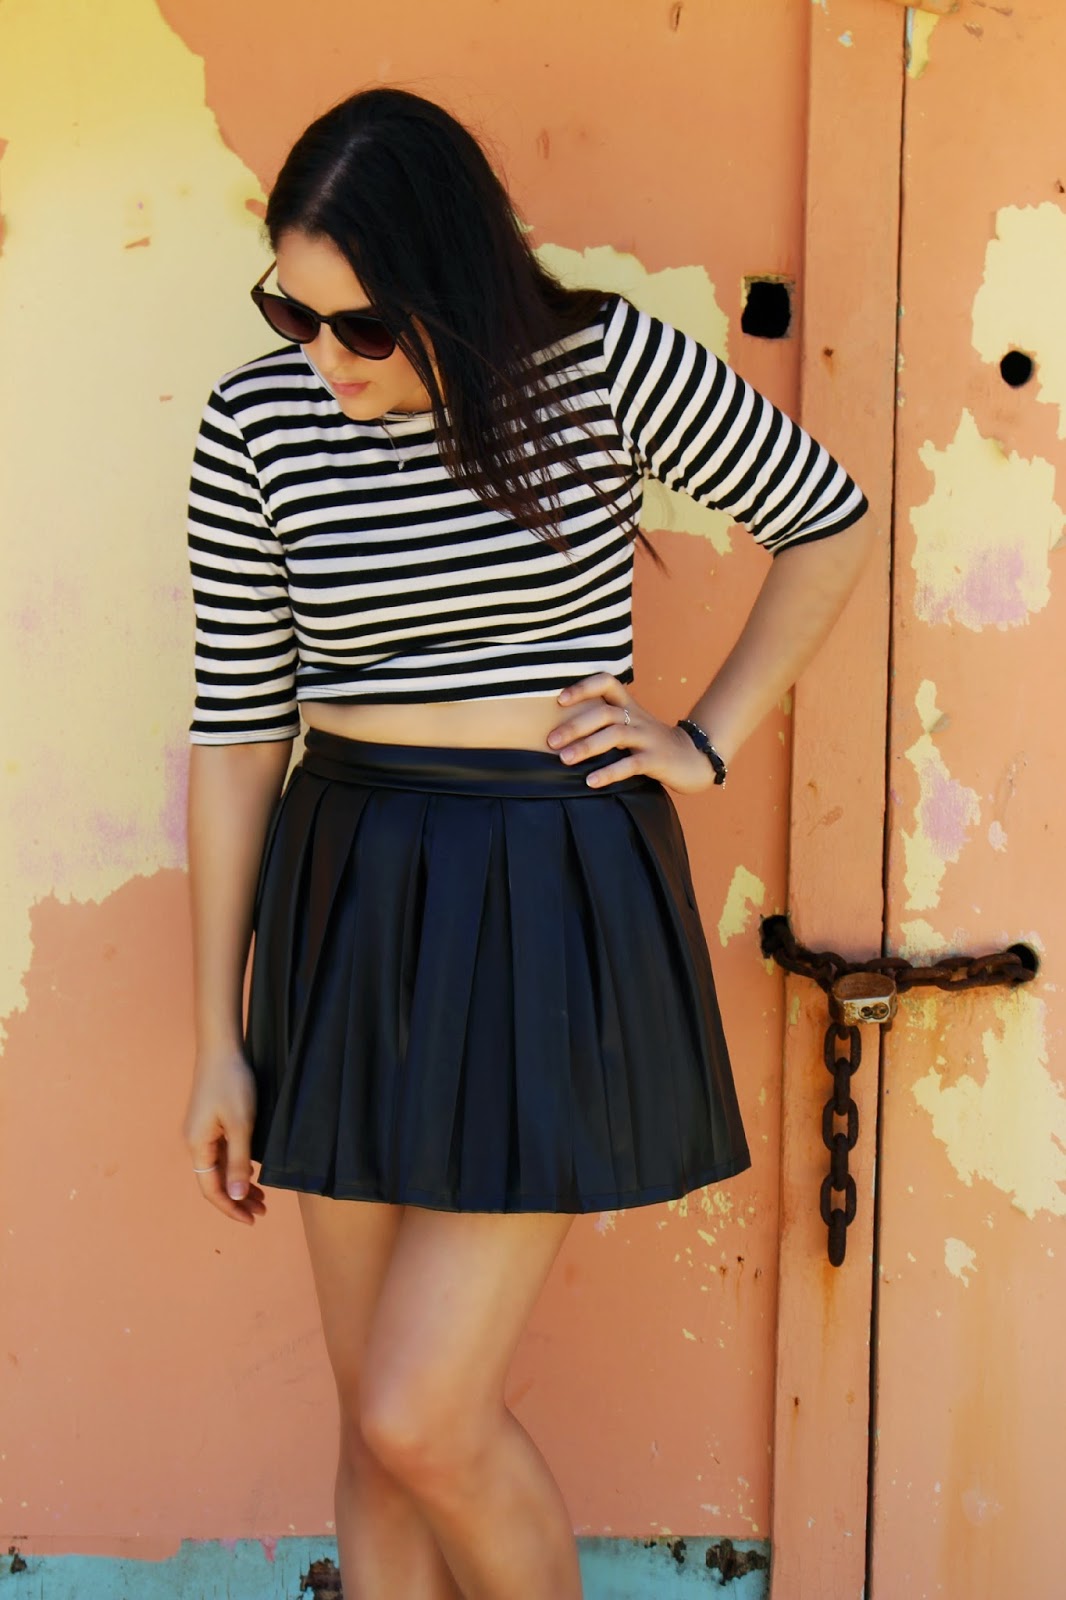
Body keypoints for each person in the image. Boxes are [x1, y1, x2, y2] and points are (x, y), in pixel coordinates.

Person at [181, 86, 873, 1600]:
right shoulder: (256, 422)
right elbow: (235, 738)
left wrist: (703, 738)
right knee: (370, 1429)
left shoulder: (604, 368)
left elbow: (826, 519)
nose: (325, 359)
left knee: (418, 1413)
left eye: (366, 328)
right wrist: (218, 1040)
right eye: (292, 313)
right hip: (347, 892)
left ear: (451, 286)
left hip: (545, 887)